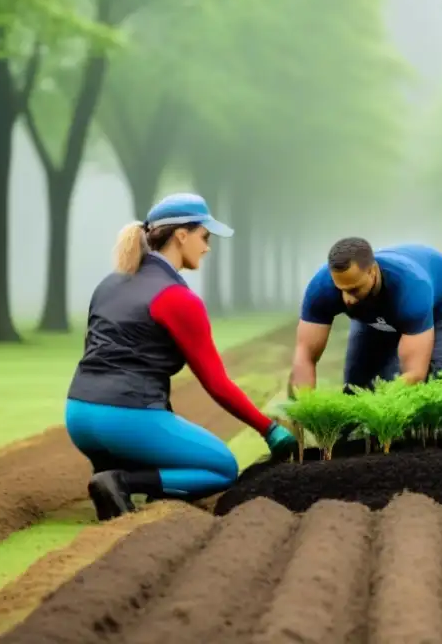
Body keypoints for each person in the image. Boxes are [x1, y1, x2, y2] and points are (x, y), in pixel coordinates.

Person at [65, 193, 298, 521]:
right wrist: (268, 429)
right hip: (124, 419)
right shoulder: (177, 299)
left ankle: (111, 473)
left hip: (79, 415)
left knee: (161, 444)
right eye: (205, 237)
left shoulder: (108, 284)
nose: (207, 247)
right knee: (221, 467)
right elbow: (216, 383)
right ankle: (121, 480)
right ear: (181, 235)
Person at [291, 238, 442, 392]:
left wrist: (383, 410)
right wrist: (306, 405)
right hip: (377, 312)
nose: (347, 300)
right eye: (341, 290)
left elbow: (414, 375)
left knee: (441, 383)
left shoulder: (411, 288)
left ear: (372, 271)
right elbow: (305, 355)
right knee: (356, 386)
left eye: (353, 290)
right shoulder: (322, 287)